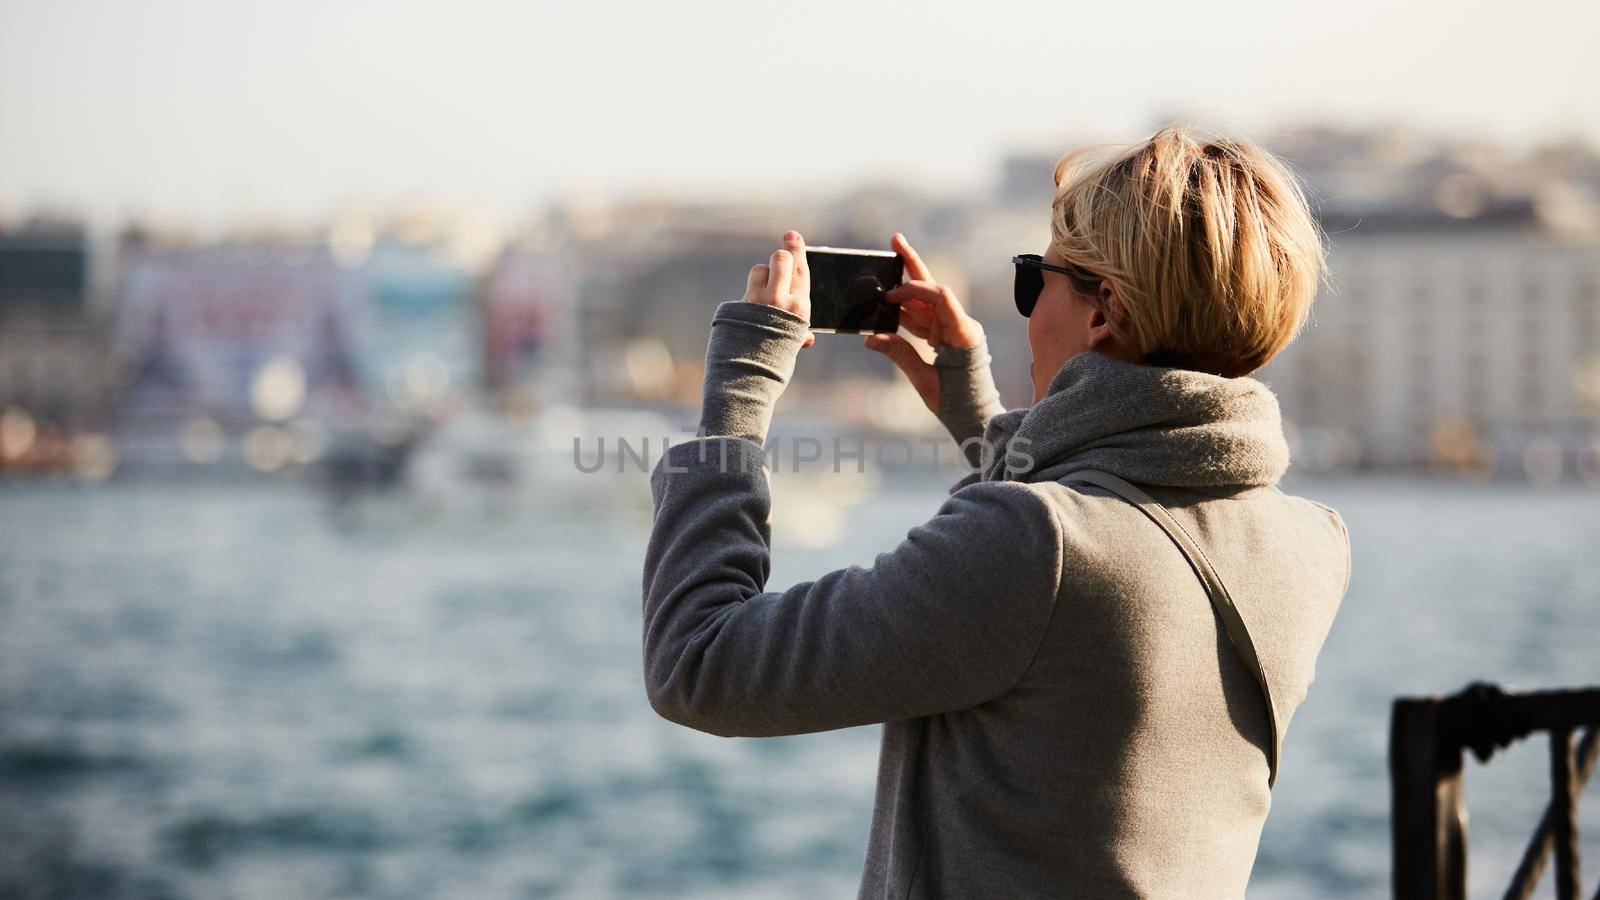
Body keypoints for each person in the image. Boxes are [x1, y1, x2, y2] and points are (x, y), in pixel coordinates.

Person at [640, 125, 1351, 899]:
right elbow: (1113, 567)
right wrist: (981, 412)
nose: (1025, 312)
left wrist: (738, 396)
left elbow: (700, 664)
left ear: (1104, 311)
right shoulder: (1311, 546)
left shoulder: (1034, 545)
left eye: (1033, 279)